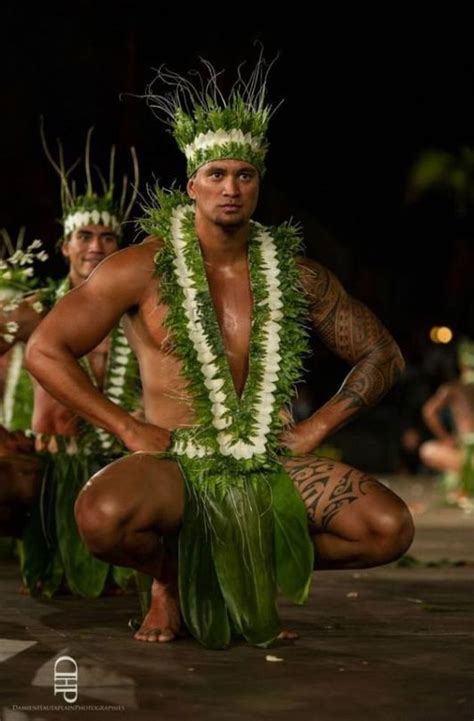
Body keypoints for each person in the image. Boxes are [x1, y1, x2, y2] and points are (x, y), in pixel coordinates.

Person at [26, 56, 414, 648]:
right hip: (175, 457)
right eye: (215, 174)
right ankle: (174, 578)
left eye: (244, 175)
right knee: (101, 518)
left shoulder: (298, 276)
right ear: (192, 185)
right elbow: (46, 351)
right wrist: (128, 427)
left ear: (258, 183)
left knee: (388, 530)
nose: (230, 187)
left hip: (265, 456)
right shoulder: (141, 268)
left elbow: (383, 355)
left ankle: (245, 569)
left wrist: (315, 427)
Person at [0, 127, 141, 597]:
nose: (96, 247)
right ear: (64, 246)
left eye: (107, 237)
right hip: (47, 465)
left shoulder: (138, 313)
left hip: (118, 459)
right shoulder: (35, 309)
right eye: (84, 235)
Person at [419, 337, 474, 501]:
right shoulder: (453, 388)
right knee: (428, 450)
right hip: (463, 451)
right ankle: (463, 476)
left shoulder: (453, 388)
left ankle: (463, 477)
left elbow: (428, 412)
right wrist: (446, 438)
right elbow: (428, 412)